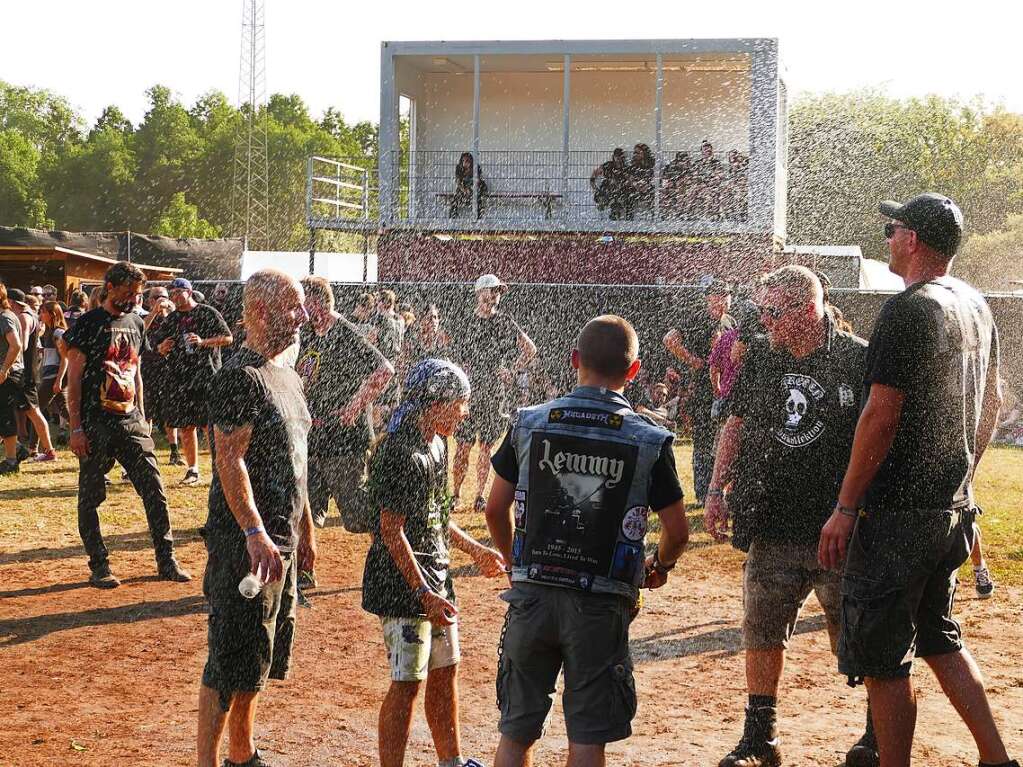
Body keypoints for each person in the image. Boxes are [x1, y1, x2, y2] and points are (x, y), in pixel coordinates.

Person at [818, 193, 1018, 767]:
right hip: (950, 510)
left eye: (893, 228)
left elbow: (880, 415)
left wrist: (846, 506)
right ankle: (996, 759)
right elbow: (992, 402)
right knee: (938, 635)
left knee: (884, 658)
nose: (887, 237)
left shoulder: (908, 309)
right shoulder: (974, 303)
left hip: (896, 515)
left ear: (914, 241)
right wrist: (963, 475)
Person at [484, 315, 689, 767]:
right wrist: (659, 565)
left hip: (532, 594)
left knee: (516, 731)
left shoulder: (528, 423)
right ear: (634, 372)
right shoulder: (648, 439)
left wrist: (512, 561)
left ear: (574, 360)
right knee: (587, 736)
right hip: (599, 605)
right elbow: (678, 531)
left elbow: (494, 510)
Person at [703, 266, 872, 767]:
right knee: (761, 630)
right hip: (772, 520)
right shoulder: (759, 357)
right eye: (763, 312)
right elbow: (735, 422)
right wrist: (716, 488)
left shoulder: (856, 358)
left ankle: (875, 735)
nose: (765, 323)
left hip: (839, 528)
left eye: (774, 312)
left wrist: (854, 510)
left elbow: (878, 437)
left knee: (858, 637)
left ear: (808, 309)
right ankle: (761, 739)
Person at [196, 269, 315, 767]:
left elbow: (296, 459)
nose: (305, 316)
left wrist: (305, 531)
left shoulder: (287, 376)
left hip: (280, 541)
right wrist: (253, 530)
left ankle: (242, 755)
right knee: (229, 659)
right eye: (294, 307)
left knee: (259, 655)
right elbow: (230, 458)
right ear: (262, 311)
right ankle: (207, 760)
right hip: (245, 544)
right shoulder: (239, 378)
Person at [361, 358, 505, 767]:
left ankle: (451, 762)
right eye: (460, 403)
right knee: (407, 684)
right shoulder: (398, 451)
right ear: (435, 401)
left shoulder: (439, 444)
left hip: (437, 580)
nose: (465, 412)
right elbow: (391, 531)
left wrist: (475, 550)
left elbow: (438, 516)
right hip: (404, 585)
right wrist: (422, 592)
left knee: (446, 671)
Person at [63, 261, 190, 587]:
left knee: (155, 491)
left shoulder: (136, 322)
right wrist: (76, 428)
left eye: (138, 293)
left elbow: (135, 372)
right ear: (110, 288)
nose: (135, 299)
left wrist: (143, 416)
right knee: (91, 496)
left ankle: (167, 561)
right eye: (129, 292)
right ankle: (100, 565)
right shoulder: (88, 324)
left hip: (132, 421)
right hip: (95, 424)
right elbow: (73, 379)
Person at [296, 276, 394, 534]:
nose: (299, 309)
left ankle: (390, 556)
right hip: (314, 437)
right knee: (303, 511)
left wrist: (354, 405)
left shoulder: (344, 332)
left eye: (302, 302)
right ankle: (305, 572)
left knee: (358, 516)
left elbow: (384, 370)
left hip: (345, 441)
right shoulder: (307, 333)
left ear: (318, 302)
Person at [451, 274, 537, 512]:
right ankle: (456, 494)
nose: (497, 295)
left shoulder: (504, 321)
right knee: (463, 446)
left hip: (493, 393)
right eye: (493, 290)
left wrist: (511, 369)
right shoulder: (466, 321)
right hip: (467, 394)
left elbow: (530, 348)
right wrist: (461, 371)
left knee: (486, 447)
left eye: (499, 291)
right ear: (480, 293)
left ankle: (479, 496)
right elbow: (453, 353)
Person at [152, 277, 233, 485]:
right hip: (180, 377)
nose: (176, 297)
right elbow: (157, 345)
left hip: (206, 375)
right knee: (186, 426)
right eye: (173, 294)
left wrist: (203, 341)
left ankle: (219, 469)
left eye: (179, 292)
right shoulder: (171, 319)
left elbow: (228, 338)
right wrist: (162, 348)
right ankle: (192, 469)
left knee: (209, 425)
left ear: (189, 292)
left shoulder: (207, 312)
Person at [663, 278, 734, 504]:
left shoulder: (730, 321)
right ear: (708, 299)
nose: (722, 299)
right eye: (718, 295)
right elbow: (670, 339)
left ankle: (721, 490)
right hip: (704, 388)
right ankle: (703, 493)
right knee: (704, 440)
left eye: (726, 295)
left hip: (727, 388)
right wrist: (694, 362)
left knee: (724, 438)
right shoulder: (697, 318)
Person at [8, 288, 56, 461]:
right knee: (29, 412)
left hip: (24, 372)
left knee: (33, 412)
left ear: (13, 303)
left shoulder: (23, 317)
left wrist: (9, 357)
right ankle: (42, 449)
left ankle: (48, 450)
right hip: (29, 370)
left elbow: (23, 345)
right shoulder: (32, 316)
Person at [142, 286, 183, 466]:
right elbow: (140, 330)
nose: (161, 299)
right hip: (149, 368)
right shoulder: (143, 316)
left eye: (164, 296)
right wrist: (154, 311)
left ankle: (174, 452)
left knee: (170, 411)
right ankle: (144, 452)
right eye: (156, 297)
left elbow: (175, 333)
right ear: (149, 300)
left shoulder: (173, 317)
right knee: (147, 412)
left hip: (169, 369)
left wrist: (167, 312)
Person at [0, 283, 26, 474]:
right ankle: (17, 449)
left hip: (8, 375)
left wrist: (3, 369)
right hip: (8, 373)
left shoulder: (5, 318)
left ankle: (11, 461)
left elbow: (16, 345)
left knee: (5, 416)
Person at [37, 300, 70, 444]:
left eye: (43, 312)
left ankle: (35, 448)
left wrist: (59, 380)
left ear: (52, 314)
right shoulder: (48, 332)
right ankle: (87, 433)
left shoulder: (58, 332)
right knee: (66, 411)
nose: (40, 314)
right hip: (50, 374)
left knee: (35, 409)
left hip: (54, 376)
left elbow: (65, 359)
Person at [590, 148, 631, 220]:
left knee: (621, 199)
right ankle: (608, 208)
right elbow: (595, 173)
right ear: (613, 156)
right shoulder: (608, 165)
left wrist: (621, 184)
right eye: (616, 156)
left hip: (620, 191)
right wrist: (594, 186)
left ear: (622, 157)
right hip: (607, 190)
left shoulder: (625, 168)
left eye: (620, 156)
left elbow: (629, 180)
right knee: (604, 196)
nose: (618, 158)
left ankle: (616, 213)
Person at [450, 151, 488, 219]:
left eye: (467, 160)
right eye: (463, 160)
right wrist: (464, 190)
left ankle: (478, 217)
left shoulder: (476, 167)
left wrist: (471, 189)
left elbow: (478, 180)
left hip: (476, 188)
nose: (465, 162)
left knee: (478, 199)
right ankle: (453, 217)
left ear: (471, 161)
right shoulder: (459, 168)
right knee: (454, 199)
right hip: (464, 188)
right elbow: (458, 181)